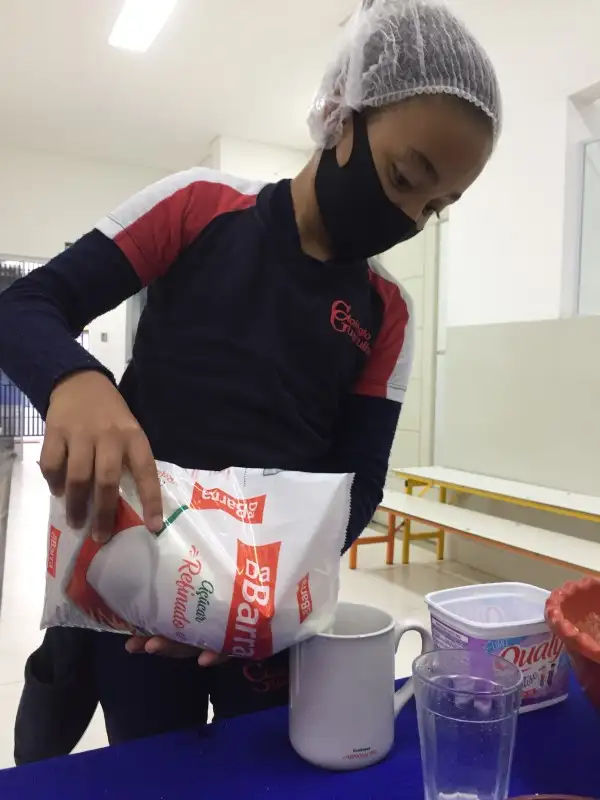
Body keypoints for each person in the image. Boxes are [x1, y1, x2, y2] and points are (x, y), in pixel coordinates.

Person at [0, 0, 501, 762]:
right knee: (155, 764)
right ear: (343, 114)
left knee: (259, 765)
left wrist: (252, 603)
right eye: (405, 177)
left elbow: (358, 483)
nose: (409, 213)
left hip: (261, 614)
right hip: (136, 585)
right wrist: (77, 380)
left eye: (435, 207)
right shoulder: (201, 207)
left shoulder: (387, 311)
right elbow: (25, 307)